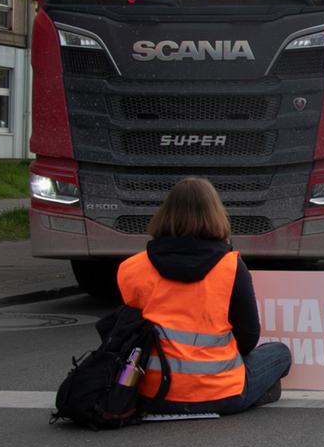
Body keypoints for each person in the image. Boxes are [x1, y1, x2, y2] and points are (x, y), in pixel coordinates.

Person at [117, 178, 291, 415]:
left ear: (165, 214)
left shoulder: (132, 268)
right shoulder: (231, 266)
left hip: (152, 395)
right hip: (221, 395)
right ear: (215, 215)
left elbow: (127, 334)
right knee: (280, 353)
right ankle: (255, 393)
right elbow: (249, 336)